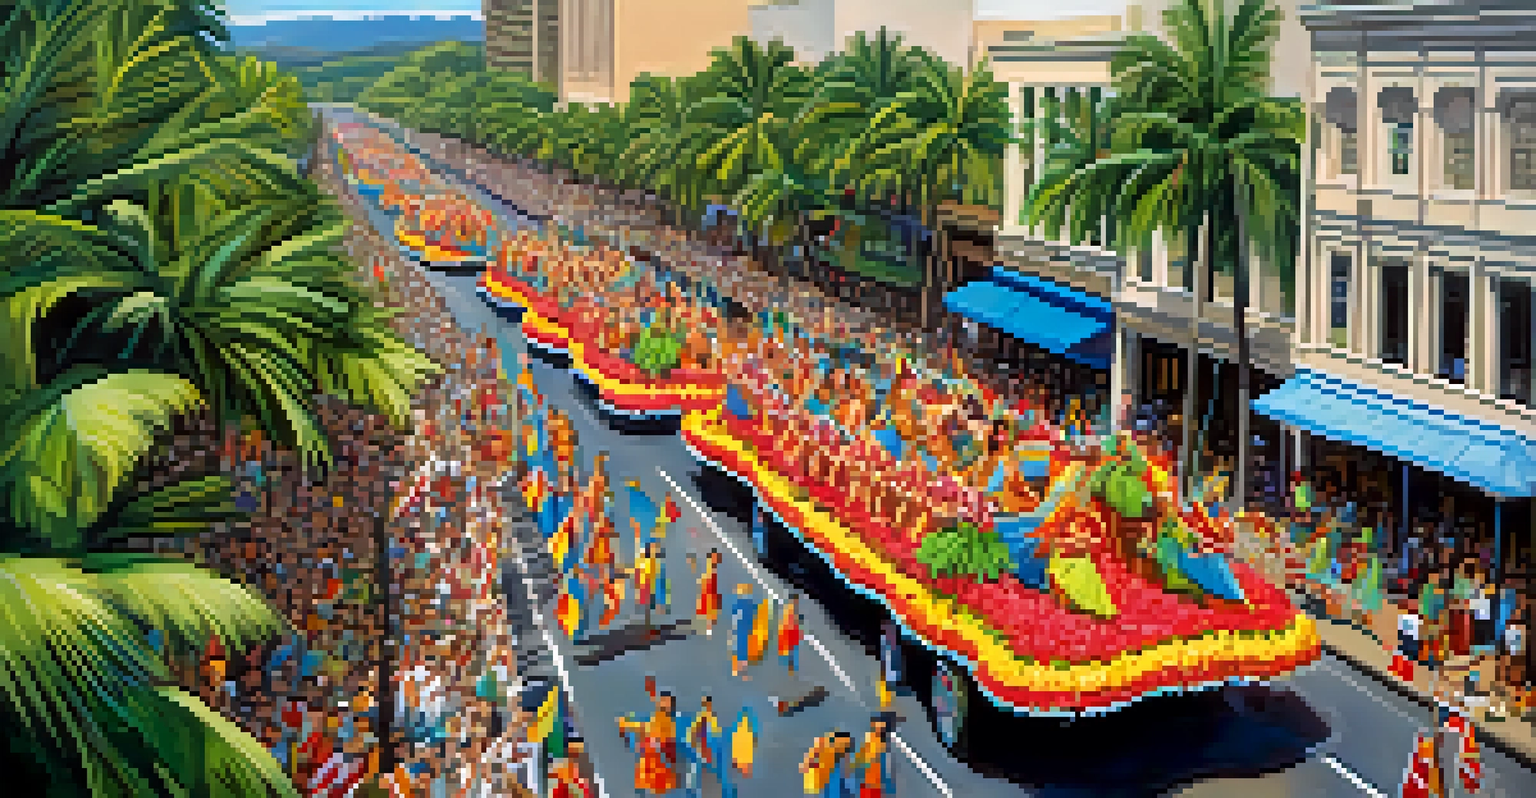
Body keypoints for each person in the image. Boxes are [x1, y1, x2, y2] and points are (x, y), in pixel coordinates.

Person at [615, 690, 680, 794]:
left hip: (657, 767)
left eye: (666, 702)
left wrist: (628, 724)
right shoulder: (656, 719)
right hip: (647, 766)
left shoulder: (668, 723)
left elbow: (648, 730)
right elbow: (644, 731)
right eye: (662, 701)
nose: (663, 704)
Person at [800, 730, 856, 798]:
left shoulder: (842, 763)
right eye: (843, 745)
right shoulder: (824, 755)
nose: (844, 749)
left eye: (846, 746)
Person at [854, 716, 895, 798]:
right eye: (878, 726)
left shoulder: (883, 744)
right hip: (868, 780)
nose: (880, 728)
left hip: (875, 782)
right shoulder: (869, 739)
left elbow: (884, 766)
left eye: (882, 727)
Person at [730, 583, 757, 680]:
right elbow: (751, 618)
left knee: (737, 649)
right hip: (744, 630)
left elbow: (734, 616)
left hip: (738, 629)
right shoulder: (749, 605)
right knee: (744, 651)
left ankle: (736, 669)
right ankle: (743, 672)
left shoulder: (737, 604)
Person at [695, 550, 723, 636]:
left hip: (710, 591)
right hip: (709, 592)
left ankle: (706, 624)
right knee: (708, 607)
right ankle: (706, 625)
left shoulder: (712, 571)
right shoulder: (709, 571)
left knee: (709, 607)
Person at [778, 592, 804, 674]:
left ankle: (791, 666)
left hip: (792, 633)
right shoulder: (790, 609)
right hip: (790, 633)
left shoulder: (790, 609)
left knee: (792, 650)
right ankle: (791, 666)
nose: (796, 601)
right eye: (795, 600)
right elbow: (792, 621)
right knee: (792, 650)